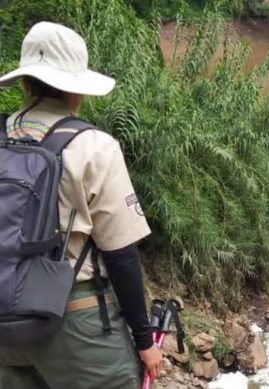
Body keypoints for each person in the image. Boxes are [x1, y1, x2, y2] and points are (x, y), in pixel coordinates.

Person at [0, 22, 162, 388]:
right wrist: (144, 340)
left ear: (25, 83)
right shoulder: (94, 146)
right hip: (72, 319)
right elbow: (120, 255)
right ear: (78, 91)